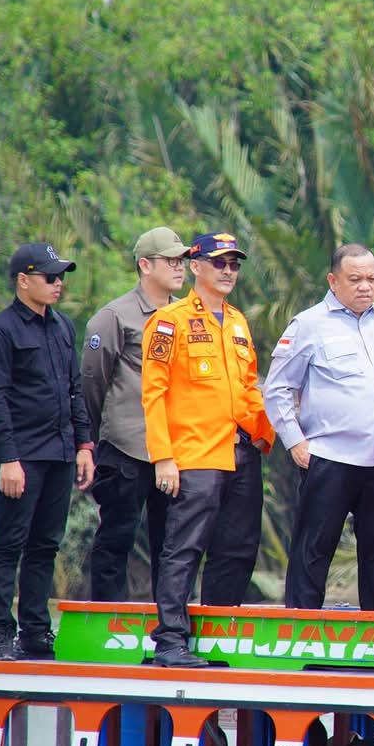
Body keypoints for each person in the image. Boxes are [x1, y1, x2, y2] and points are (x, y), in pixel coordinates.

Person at [142, 232, 275, 668]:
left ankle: (221, 637)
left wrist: (264, 433)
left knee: (237, 548)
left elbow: (250, 386)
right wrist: (163, 456)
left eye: (235, 264)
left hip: (241, 451)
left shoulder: (237, 321)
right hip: (195, 454)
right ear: (195, 266)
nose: (228, 271)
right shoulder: (170, 320)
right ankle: (170, 641)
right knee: (184, 547)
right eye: (220, 263)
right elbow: (153, 393)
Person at [265, 244, 374, 611]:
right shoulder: (309, 324)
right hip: (329, 455)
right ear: (333, 281)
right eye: (355, 279)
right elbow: (277, 389)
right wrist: (294, 442)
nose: (365, 286)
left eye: (372, 278)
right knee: (314, 550)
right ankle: (300, 633)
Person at [0, 242, 95, 660]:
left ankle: (35, 631)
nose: (58, 283)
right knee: (9, 543)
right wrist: (8, 458)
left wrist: (84, 445)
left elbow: (74, 390)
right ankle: (0, 631)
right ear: (24, 281)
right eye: (50, 276)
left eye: (61, 276)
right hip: (21, 456)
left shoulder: (62, 327)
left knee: (46, 545)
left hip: (60, 453)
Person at [82, 226, 190, 602]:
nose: (180, 268)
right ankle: (106, 623)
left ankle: (170, 626)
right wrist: (97, 438)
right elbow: (93, 382)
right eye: (171, 260)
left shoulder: (186, 315)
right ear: (145, 265)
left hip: (175, 450)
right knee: (116, 537)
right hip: (127, 446)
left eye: (183, 260)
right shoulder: (115, 316)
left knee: (172, 543)